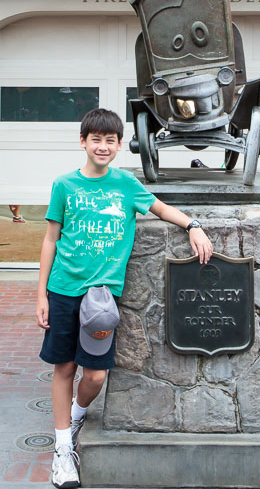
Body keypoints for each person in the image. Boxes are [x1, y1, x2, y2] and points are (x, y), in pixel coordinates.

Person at [36, 108, 213, 489]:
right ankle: (62, 450)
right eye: (95, 139)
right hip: (63, 290)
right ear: (83, 142)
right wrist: (41, 295)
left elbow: (160, 209)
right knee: (64, 368)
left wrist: (193, 225)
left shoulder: (126, 184)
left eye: (109, 140)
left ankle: (77, 413)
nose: (102, 146)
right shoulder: (64, 185)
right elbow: (50, 240)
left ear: (119, 145)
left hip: (101, 299)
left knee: (95, 375)